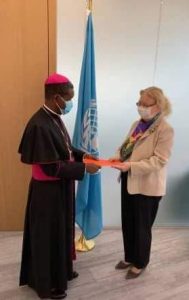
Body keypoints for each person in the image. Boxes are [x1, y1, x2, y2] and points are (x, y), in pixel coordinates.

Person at [18, 73, 100, 299]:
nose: (70, 103)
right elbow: (50, 168)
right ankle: (48, 284)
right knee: (48, 237)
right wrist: (84, 170)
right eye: (68, 98)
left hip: (60, 190)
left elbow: (65, 147)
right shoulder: (38, 124)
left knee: (61, 232)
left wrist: (83, 156)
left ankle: (61, 272)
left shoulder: (53, 116)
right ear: (56, 98)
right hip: (47, 194)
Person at [111, 87, 174, 279]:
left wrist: (130, 165)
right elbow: (126, 147)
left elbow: (159, 160)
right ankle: (130, 256)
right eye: (139, 103)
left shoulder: (165, 130)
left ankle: (141, 262)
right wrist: (116, 158)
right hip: (129, 180)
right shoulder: (137, 124)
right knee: (128, 222)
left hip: (148, 186)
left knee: (141, 227)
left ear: (158, 106)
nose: (141, 108)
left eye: (145, 105)